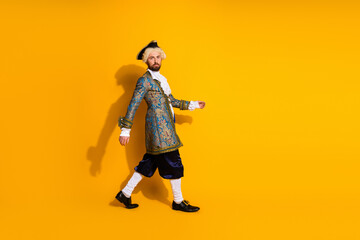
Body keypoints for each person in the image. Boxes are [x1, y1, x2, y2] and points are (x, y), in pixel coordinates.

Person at [115, 40, 205, 212]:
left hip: (164, 129)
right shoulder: (144, 81)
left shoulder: (161, 79)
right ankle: (178, 201)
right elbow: (133, 104)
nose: (155, 60)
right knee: (174, 162)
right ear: (146, 61)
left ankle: (125, 194)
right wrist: (125, 131)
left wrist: (193, 104)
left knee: (148, 163)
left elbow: (171, 100)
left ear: (161, 58)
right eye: (151, 58)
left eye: (158, 57)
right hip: (159, 131)